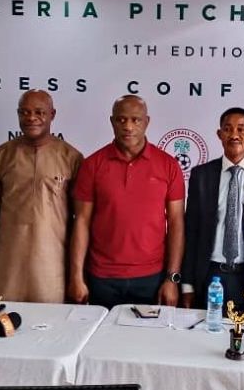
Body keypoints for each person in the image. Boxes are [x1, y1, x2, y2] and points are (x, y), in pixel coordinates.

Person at [67, 95, 185, 309]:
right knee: (101, 342)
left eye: (135, 120)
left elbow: (177, 223)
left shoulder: (168, 165)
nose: (128, 126)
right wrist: (76, 276)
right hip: (101, 278)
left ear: (146, 122)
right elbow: (81, 221)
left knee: (148, 343)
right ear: (112, 122)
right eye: (121, 120)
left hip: (151, 278)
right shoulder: (92, 165)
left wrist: (172, 278)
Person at [0, 90, 82, 303]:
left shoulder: (71, 157)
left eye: (39, 112)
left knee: (50, 328)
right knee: (3, 326)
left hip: (53, 269)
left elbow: (82, 220)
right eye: (25, 112)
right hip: (8, 266)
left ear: (52, 114)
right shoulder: (2, 155)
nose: (31, 118)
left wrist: (77, 272)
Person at [180, 107, 244, 314]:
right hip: (209, 274)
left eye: (241, 129)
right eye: (228, 129)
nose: (234, 135)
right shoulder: (201, 175)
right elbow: (191, 233)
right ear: (219, 134)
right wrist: (187, 285)